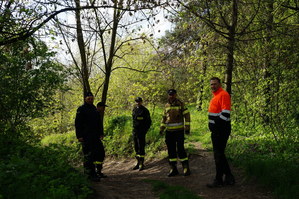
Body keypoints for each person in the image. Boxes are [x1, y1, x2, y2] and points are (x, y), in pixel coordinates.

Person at [207, 77, 235, 188]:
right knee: (219, 155)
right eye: (211, 84)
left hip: (221, 130)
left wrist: (215, 126)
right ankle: (228, 177)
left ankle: (219, 179)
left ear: (220, 84)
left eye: (215, 84)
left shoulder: (223, 95)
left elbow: (226, 113)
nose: (213, 86)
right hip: (217, 130)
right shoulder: (216, 96)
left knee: (218, 155)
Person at [160, 89, 191, 177]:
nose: (171, 96)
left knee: (181, 149)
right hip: (169, 132)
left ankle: (186, 168)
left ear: (176, 95)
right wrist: (161, 128)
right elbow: (163, 118)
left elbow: (187, 115)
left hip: (179, 132)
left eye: (173, 94)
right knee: (171, 150)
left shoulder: (180, 104)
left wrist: (187, 128)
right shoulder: (166, 106)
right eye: (170, 94)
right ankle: (173, 169)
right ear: (168, 95)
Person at [75, 91, 103, 182]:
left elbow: (99, 122)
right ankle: (89, 174)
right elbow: (77, 123)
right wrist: (79, 136)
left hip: (95, 136)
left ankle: (93, 173)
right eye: (89, 98)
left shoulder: (94, 109)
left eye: (92, 98)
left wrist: (101, 133)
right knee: (88, 155)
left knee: (95, 154)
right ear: (85, 99)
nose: (90, 100)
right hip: (86, 136)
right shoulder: (81, 109)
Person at [132, 97, 152, 171]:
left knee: (141, 147)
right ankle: (138, 163)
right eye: (136, 101)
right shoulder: (134, 109)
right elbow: (134, 121)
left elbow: (149, 122)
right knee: (136, 147)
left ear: (141, 102)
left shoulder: (145, 110)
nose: (138, 103)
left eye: (139, 101)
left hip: (141, 132)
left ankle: (141, 163)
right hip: (135, 131)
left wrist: (144, 131)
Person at [96, 101, 108, 178]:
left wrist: (101, 134)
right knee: (99, 154)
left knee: (101, 154)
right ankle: (97, 172)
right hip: (94, 138)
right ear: (99, 107)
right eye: (103, 107)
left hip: (97, 137)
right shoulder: (94, 114)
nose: (104, 109)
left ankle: (99, 171)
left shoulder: (98, 114)